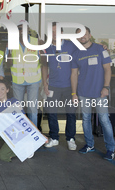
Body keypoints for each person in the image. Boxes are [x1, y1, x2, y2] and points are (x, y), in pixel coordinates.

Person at [71, 26, 115, 160]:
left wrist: (106, 87)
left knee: (104, 120)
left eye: (85, 34)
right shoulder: (76, 53)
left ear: (90, 35)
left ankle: (111, 149)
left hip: (99, 92)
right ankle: (89, 145)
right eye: (79, 35)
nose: (82, 36)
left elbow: (107, 69)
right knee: (85, 119)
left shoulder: (100, 49)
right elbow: (74, 74)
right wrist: (74, 93)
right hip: (83, 92)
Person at [42, 22, 77, 150]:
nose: (54, 34)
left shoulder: (71, 46)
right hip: (53, 86)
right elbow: (44, 66)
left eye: (57, 31)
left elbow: (86, 47)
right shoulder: (47, 47)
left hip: (69, 86)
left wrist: (102, 46)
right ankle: (54, 138)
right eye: (52, 32)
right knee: (51, 113)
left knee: (71, 113)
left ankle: (70, 138)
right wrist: (45, 84)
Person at [7, 19, 44, 128]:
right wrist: (9, 50)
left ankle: (34, 133)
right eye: (19, 28)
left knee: (32, 108)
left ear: (28, 30)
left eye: (24, 28)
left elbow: (44, 61)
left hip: (33, 80)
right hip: (18, 81)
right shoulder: (12, 43)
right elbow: (8, 63)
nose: (21, 30)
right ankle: (22, 131)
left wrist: (42, 50)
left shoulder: (36, 41)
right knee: (18, 108)